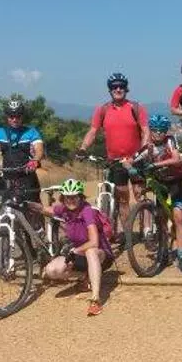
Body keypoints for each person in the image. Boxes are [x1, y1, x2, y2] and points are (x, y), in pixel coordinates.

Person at [78, 73, 150, 247]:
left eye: (121, 86)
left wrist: (142, 150)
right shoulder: (102, 110)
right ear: (110, 90)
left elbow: (145, 130)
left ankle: (148, 231)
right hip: (115, 161)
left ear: (126, 88)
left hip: (136, 159)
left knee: (140, 194)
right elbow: (93, 131)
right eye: (114, 87)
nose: (118, 89)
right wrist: (82, 148)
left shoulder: (136, 108)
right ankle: (128, 234)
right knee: (123, 199)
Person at [31, 179, 114, 316]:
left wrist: (75, 251)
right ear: (63, 198)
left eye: (74, 197)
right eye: (67, 197)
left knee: (90, 251)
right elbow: (46, 209)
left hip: (100, 255)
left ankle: (95, 299)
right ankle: (85, 277)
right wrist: (27, 204)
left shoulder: (87, 211)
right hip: (79, 255)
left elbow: (94, 242)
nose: (71, 200)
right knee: (52, 270)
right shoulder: (64, 210)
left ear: (80, 197)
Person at [132, 114, 182, 272]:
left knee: (178, 217)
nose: (158, 133)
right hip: (160, 185)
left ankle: (181, 254)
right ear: (151, 130)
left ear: (166, 131)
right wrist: (128, 166)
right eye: (155, 130)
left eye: (161, 130)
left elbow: (176, 159)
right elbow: (134, 159)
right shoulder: (148, 147)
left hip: (174, 182)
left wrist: (156, 165)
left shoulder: (170, 141)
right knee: (161, 219)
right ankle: (164, 251)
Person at [0, 100, 45, 207]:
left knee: (34, 209)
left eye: (18, 116)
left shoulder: (31, 132)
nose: (15, 119)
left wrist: (35, 160)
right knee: (2, 210)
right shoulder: (0, 132)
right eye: (11, 116)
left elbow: (39, 149)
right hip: (6, 177)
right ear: (7, 117)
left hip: (27, 177)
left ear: (22, 117)